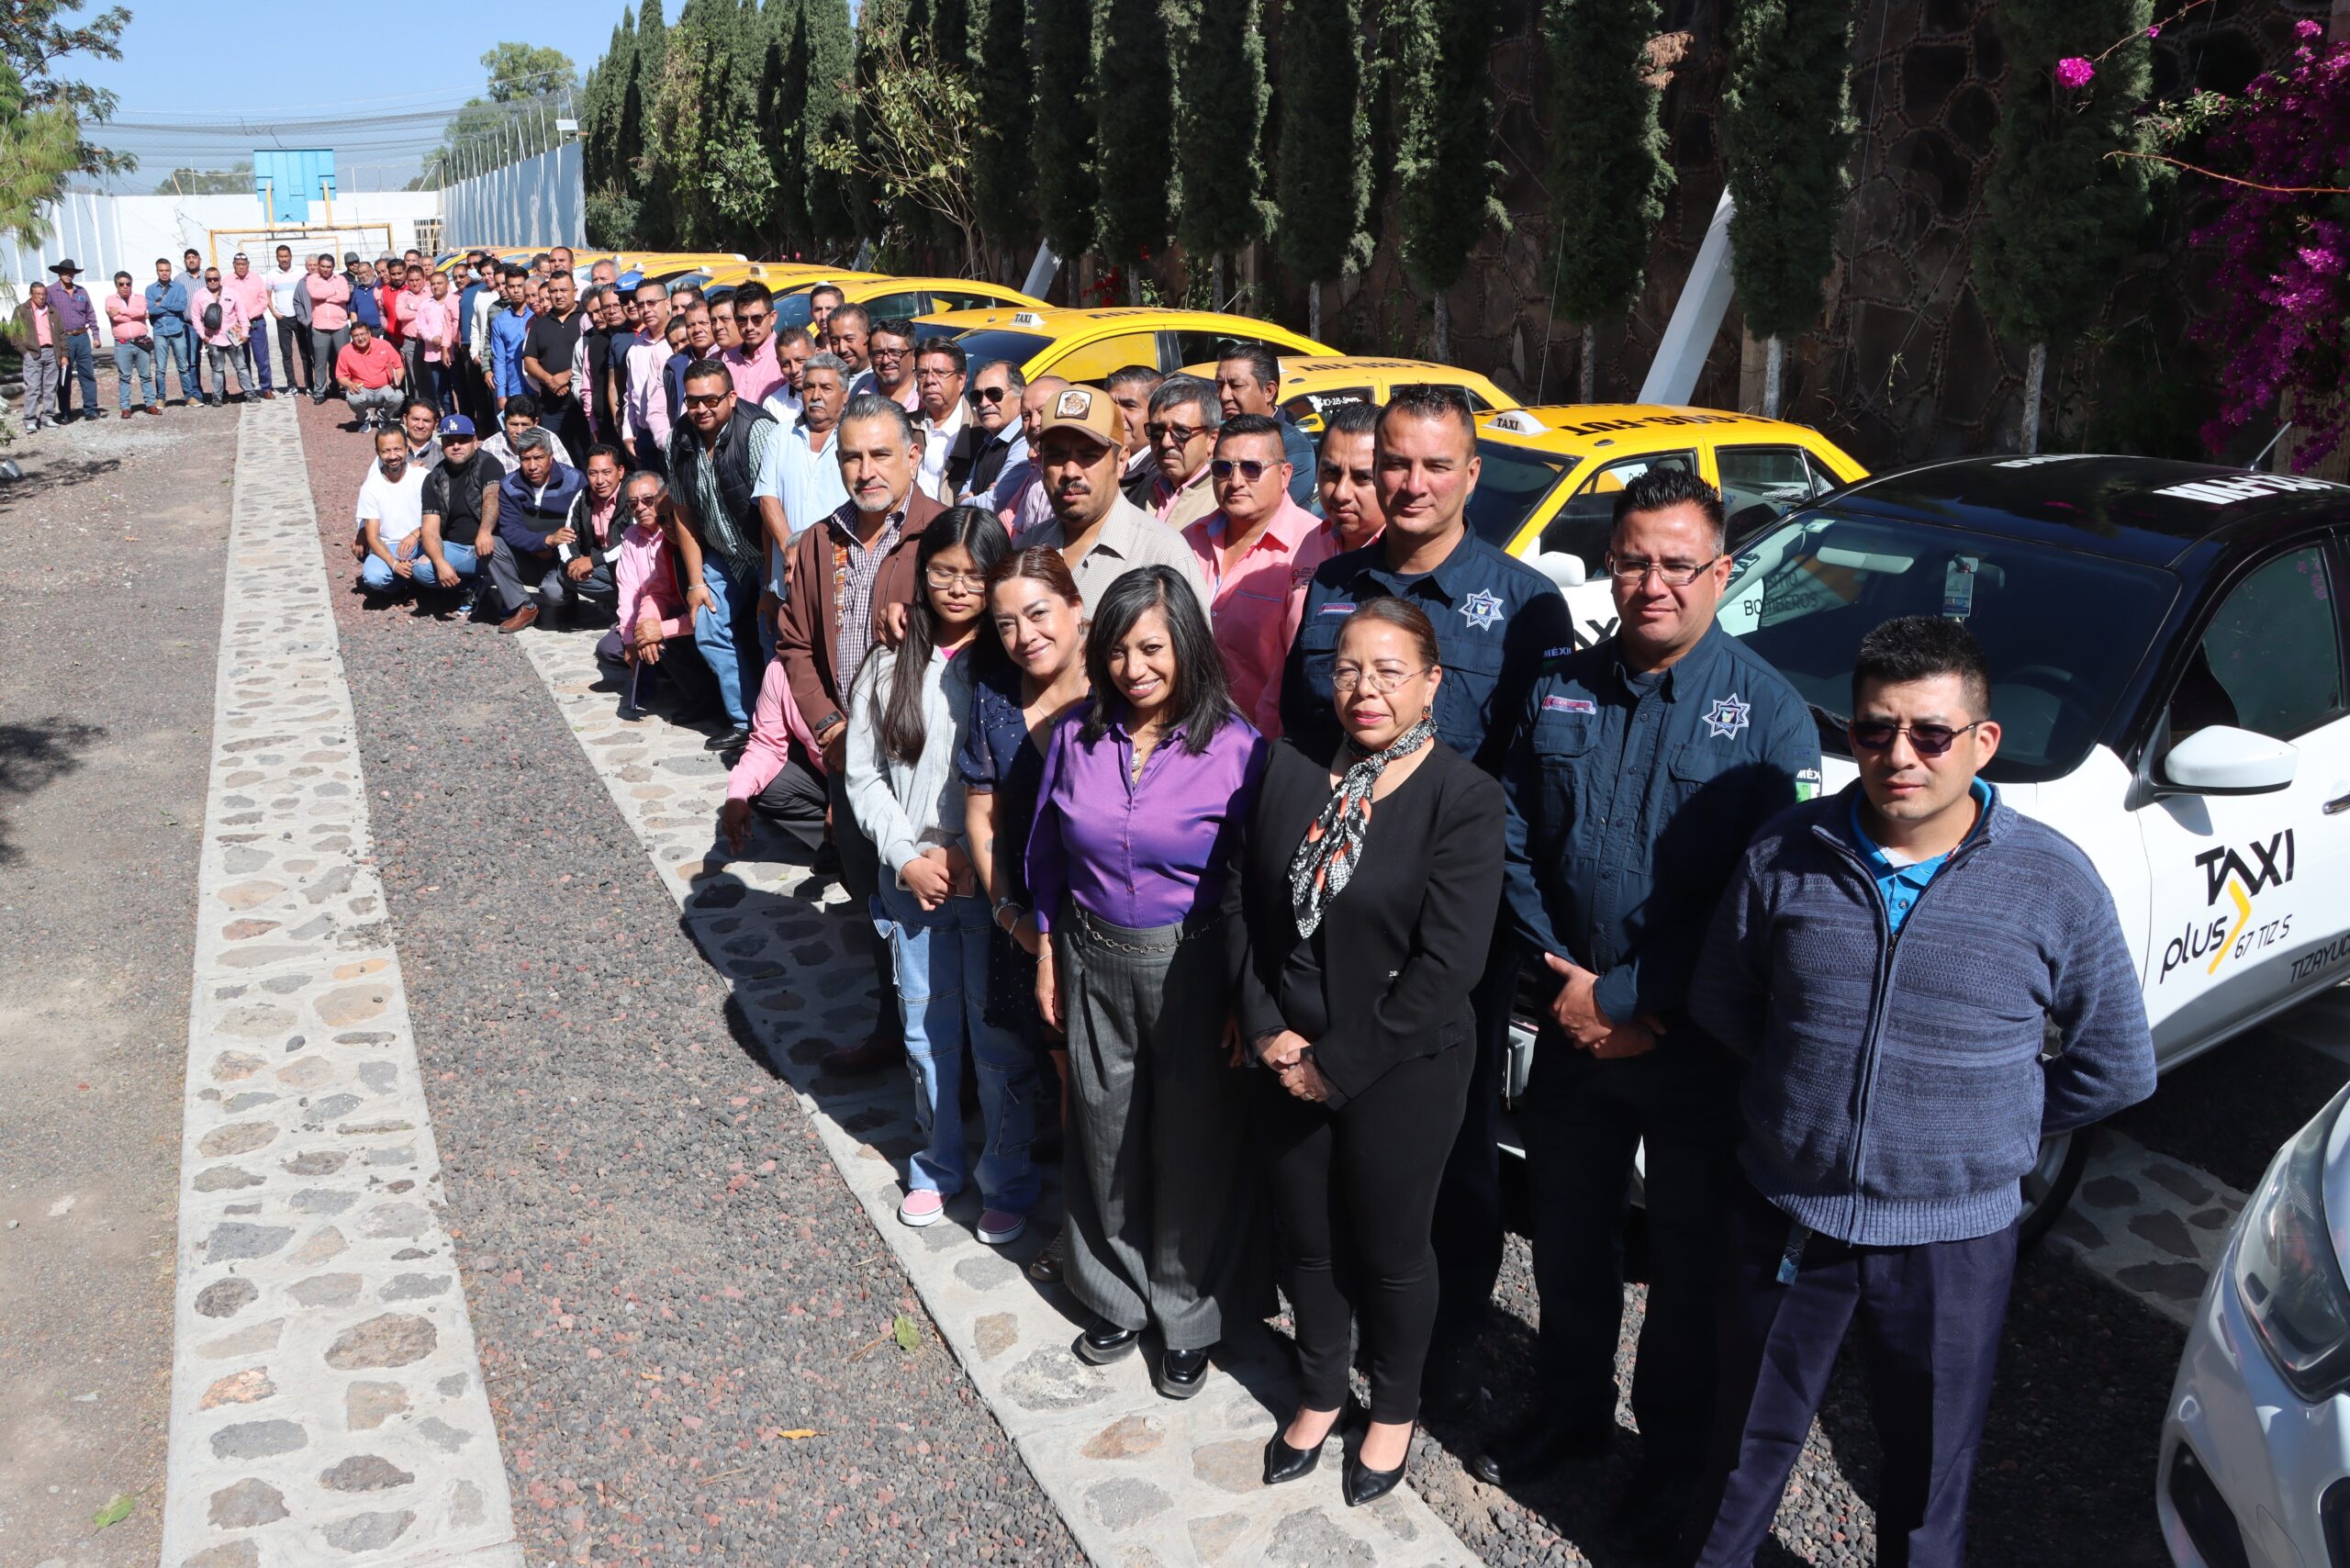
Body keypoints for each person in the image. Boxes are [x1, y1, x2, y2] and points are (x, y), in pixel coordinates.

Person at [1684, 615, 2156, 1568]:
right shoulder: (1786, 852)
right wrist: (1805, 1094)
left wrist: (1985, 1127)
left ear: (1983, 741)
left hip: (1951, 1238)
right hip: (1791, 1212)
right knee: (1742, 1443)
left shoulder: (2054, 882)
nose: (1900, 756)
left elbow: (2116, 1062)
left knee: (1930, 1467)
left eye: (1931, 734)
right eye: (1874, 729)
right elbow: (1721, 1000)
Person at [1475, 466, 1818, 1550]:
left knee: (1685, 1263)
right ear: (1611, 565)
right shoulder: (1559, 688)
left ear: (1721, 572)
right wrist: (1569, 986)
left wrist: (1629, 997)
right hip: (1572, 1025)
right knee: (1568, 1237)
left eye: (1677, 563)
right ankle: (1568, 1409)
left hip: (1693, 1045)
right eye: (1632, 561)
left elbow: (1757, 898)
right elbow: (1511, 837)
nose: (1652, 583)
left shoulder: (1769, 717)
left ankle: (1670, 1458)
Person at [1279, 385, 1571, 1430]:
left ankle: (1441, 1349)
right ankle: (1344, 1325)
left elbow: (1534, 780)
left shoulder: (1525, 603)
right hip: (1332, 913)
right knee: (1327, 1121)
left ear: (1472, 475)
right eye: (1393, 462)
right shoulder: (1332, 582)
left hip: (1451, 928)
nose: (1409, 484)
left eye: (1435, 465)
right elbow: (1301, 741)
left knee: (1450, 1149)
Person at [1238, 598, 1505, 1505]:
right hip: (1285, 1049)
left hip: (1402, 1063)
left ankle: (1392, 1408)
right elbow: (1238, 903)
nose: (1365, 689)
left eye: (1390, 672)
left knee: (1392, 1248)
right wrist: (1266, 1027)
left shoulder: (1463, 798)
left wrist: (1336, 1064)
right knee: (1308, 1239)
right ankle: (1320, 1390)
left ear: (1432, 684)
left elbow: (1448, 965)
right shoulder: (1289, 765)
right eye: (1348, 669)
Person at [1028, 565, 1267, 1399]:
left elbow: (1254, 882)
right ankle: (1114, 1295)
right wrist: (1047, 950)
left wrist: (1243, 992)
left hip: (1194, 968)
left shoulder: (1235, 748)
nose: (1135, 669)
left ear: (1188, 647)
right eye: (1119, 650)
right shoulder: (1076, 735)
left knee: (1192, 1145)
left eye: (1153, 648)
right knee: (1103, 1134)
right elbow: (1046, 855)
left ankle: (1187, 1315)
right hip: (1091, 956)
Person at [845, 506, 1040, 1240]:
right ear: (920, 576)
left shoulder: (1012, 665)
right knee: (927, 1035)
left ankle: (1008, 1177)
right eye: (943, 573)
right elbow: (864, 775)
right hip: (912, 881)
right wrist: (906, 855)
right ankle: (937, 1163)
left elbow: (1023, 776)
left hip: (988, 883)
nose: (958, 589)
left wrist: (966, 855)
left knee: (996, 1041)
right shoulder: (889, 661)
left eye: (975, 575)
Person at [962, 545, 1091, 1282]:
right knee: (1067, 1080)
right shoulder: (994, 694)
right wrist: (1010, 915)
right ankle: (1082, 1232)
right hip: (1030, 922)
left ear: (1076, 609)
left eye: (1038, 614)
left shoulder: (1121, 684)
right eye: (1006, 622)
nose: (1024, 636)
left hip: (1112, 919)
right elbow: (982, 813)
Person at [1182, 413, 1337, 735]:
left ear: (1285, 475)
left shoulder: (1314, 548)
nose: (1235, 481)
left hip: (1266, 741)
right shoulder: (1189, 540)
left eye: (1251, 468)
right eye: (1223, 468)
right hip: (1186, 734)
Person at [666, 359, 781, 751]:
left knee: (770, 635)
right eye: (692, 401)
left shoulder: (758, 432)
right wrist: (696, 582)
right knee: (708, 626)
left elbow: (770, 511)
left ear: (731, 396)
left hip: (764, 550)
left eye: (711, 400)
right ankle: (743, 720)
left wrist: (771, 584)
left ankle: (777, 727)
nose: (701, 409)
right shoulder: (679, 437)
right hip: (722, 552)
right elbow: (682, 512)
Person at [1014, 385, 1208, 611]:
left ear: (1121, 462)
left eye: (1088, 455)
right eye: (1056, 456)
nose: (1070, 471)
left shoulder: (1163, 553)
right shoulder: (1031, 544)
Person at [603, 473, 722, 716]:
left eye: (647, 501)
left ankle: (727, 710)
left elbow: (713, 612)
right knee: (611, 648)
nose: (640, 508)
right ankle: (690, 690)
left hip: (703, 619)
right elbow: (642, 591)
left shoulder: (702, 544)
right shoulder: (642, 539)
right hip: (666, 613)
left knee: (666, 638)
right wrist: (643, 628)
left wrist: (659, 629)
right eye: (633, 504)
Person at [753, 351, 852, 631]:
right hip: (787, 580)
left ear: (845, 395)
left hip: (841, 581)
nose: (816, 395)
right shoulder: (780, 435)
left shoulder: (855, 438)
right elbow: (767, 500)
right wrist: (791, 549)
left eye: (826, 388)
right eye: (809, 387)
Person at [487, 429, 590, 632]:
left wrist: (559, 548)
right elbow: (510, 530)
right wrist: (546, 540)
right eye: (526, 459)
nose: (532, 466)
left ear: (551, 456)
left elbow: (584, 526)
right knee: (491, 545)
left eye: (539, 458)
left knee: (554, 593)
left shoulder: (575, 480)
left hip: (562, 559)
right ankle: (524, 607)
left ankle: (568, 600)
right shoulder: (509, 485)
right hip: (526, 555)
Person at [355, 426, 470, 598]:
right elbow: (373, 536)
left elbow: (443, 516)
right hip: (389, 545)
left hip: (423, 540)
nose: (392, 456)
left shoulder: (423, 476)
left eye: (397, 449)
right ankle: (401, 584)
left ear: (406, 448)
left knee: (435, 566)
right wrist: (394, 564)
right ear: (378, 453)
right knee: (374, 578)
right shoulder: (370, 487)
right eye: (386, 451)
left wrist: (416, 534)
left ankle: (466, 585)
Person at [1214, 346, 1318, 510]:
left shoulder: (1294, 447)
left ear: (1269, 391)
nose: (1224, 396)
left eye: (1236, 385)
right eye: (1220, 386)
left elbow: (1264, 513)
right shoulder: (1214, 437)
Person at [420, 413, 503, 601]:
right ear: (442, 444)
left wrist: (485, 531)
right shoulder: (434, 478)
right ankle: (472, 585)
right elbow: (430, 529)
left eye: (463, 440)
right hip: (457, 548)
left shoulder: (488, 463)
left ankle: (490, 581)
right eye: (450, 441)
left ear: (474, 441)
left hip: (491, 544)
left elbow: (492, 497)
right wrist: (440, 563)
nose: (456, 446)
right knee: (422, 569)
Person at [523, 270, 591, 456]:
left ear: (574, 291)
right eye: (553, 291)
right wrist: (550, 380)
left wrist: (567, 375)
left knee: (585, 457)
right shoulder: (540, 323)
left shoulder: (587, 318)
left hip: (582, 406)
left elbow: (592, 355)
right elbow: (529, 361)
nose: (558, 295)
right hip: (551, 408)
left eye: (563, 290)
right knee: (553, 457)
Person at [1145, 375, 1223, 533]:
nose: (1166, 442)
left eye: (1181, 432)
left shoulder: (1224, 502)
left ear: (1212, 439)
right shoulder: (1145, 488)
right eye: (1157, 430)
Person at [1315, 400, 1385, 553]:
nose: (1341, 494)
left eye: (1363, 478)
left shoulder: (1414, 557)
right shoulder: (1309, 544)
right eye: (1331, 472)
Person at [957, 361, 1028, 508]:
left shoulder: (1026, 442)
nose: (984, 403)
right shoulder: (988, 443)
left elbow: (994, 503)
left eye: (994, 394)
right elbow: (964, 492)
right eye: (977, 396)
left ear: (1021, 395)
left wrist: (963, 501)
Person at [623, 278, 676, 473]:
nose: (646, 310)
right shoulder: (636, 347)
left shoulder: (679, 341)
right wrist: (628, 432)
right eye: (641, 305)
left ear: (667, 304)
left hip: (674, 434)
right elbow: (630, 394)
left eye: (652, 303)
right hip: (644, 436)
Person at [912, 340, 972, 501]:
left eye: (940, 372)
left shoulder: (978, 433)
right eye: (922, 373)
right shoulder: (904, 426)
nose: (929, 380)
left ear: (961, 380)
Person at [45, 261, 99, 422]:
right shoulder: (50, 292)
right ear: (59, 273)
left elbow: (90, 313)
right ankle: (65, 412)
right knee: (64, 376)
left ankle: (90, 410)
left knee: (87, 374)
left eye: (71, 272)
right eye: (65, 272)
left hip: (82, 337)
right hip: (63, 338)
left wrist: (96, 335)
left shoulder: (81, 291)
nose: (69, 275)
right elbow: (45, 316)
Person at [194, 263, 256, 404]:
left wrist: (245, 332)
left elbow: (241, 313)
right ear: (205, 280)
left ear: (220, 278)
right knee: (217, 369)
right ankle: (217, 396)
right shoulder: (199, 295)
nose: (212, 281)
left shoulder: (231, 293)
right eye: (209, 279)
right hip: (213, 339)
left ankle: (250, 393)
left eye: (215, 279)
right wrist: (203, 336)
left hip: (232, 338)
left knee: (241, 367)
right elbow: (195, 317)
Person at [103, 271, 161, 419]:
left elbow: (141, 311)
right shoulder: (110, 300)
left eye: (128, 284)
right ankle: (125, 407)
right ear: (116, 285)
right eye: (121, 284)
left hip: (141, 342)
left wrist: (122, 311)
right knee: (124, 377)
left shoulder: (139, 298)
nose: (125, 286)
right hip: (122, 344)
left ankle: (150, 404)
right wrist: (136, 316)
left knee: (146, 375)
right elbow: (115, 318)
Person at [1104, 365, 1164, 503]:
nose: (1116, 415)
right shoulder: (1094, 463)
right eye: (1110, 405)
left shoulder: (1162, 476)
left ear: (1157, 413)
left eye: (1129, 405)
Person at [722, 280, 787, 405]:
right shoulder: (728, 358)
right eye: (742, 319)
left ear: (772, 317)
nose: (749, 327)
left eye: (757, 319)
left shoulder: (786, 358)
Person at [146, 258, 197, 406]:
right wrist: (169, 307)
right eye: (161, 270)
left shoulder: (179, 288)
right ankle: (161, 398)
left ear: (170, 271)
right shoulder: (150, 289)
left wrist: (162, 304)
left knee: (183, 366)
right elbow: (152, 309)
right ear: (157, 271)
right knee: (160, 368)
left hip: (177, 330)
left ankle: (189, 397)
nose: (164, 273)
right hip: (160, 331)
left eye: (167, 270)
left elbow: (181, 307)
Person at [336, 320, 407, 429]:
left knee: (398, 396)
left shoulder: (384, 345)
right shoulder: (346, 351)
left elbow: (399, 366)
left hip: (384, 387)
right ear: (351, 337)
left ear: (369, 333)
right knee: (352, 398)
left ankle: (383, 418)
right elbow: (341, 376)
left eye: (362, 334)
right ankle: (364, 419)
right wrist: (350, 385)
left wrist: (398, 378)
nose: (360, 338)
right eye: (356, 336)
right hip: (362, 389)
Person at [223, 254, 275, 398]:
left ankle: (266, 388)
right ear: (233, 265)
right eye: (238, 264)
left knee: (262, 357)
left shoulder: (256, 278)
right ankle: (248, 389)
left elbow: (263, 301)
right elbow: (225, 302)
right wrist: (238, 319)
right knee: (242, 359)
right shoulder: (227, 281)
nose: (241, 267)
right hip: (237, 326)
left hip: (256, 322)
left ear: (248, 264)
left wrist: (248, 316)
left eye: (244, 264)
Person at [12, 282, 62, 431]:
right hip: (32, 353)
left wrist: (63, 353)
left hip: (52, 352)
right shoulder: (21, 311)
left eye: (43, 294)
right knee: (33, 388)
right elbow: (14, 335)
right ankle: (30, 419)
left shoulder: (53, 311)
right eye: (37, 294)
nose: (41, 297)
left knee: (50, 387)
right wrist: (25, 353)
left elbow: (61, 334)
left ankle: (48, 417)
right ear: (30, 295)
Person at [306, 253, 352, 407]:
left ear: (333, 267)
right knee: (320, 362)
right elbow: (314, 294)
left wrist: (324, 296)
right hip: (320, 327)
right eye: (323, 266)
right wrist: (333, 292)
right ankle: (319, 391)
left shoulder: (341, 279)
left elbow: (345, 297)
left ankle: (344, 388)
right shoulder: (312, 279)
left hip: (339, 326)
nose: (325, 269)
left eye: (329, 267)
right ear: (319, 266)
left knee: (343, 360)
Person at [480, 396, 575, 471]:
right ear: (504, 422)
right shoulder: (490, 447)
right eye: (514, 424)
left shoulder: (550, 440)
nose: (519, 431)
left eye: (525, 425)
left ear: (535, 423)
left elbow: (569, 475)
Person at [487, 266, 533, 409]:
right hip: (514, 387)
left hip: (538, 385)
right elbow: (499, 359)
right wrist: (501, 394)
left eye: (520, 286)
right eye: (511, 287)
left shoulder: (537, 315)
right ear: (506, 288)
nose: (516, 291)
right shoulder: (500, 321)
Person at [267, 244, 308, 397]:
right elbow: (266, 295)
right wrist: (274, 312)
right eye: (281, 256)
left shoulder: (301, 272)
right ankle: (292, 386)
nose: (284, 259)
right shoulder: (272, 274)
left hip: (299, 318)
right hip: (283, 319)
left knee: (305, 353)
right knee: (286, 354)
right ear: (277, 257)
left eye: (286, 256)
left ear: (291, 256)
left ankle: (309, 385)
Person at [867, 318, 922, 412]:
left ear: (914, 355)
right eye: (878, 354)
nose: (885, 361)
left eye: (895, 353)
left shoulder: (926, 400)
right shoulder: (862, 399)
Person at [178, 248, 208, 401]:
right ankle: (196, 393)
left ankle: (220, 392)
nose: (191, 260)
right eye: (188, 258)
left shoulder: (208, 277)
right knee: (192, 361)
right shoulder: (179, 280)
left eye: (194, 257)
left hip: (210, 326)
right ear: (185, 261)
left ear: (199, 260)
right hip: (189, 326)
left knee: (216, 359)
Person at [827, 304, 873, 388]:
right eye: (835, 341)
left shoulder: (883, 380)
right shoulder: (825, 381)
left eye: (849, 339)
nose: (842, 349)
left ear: (868, 336)